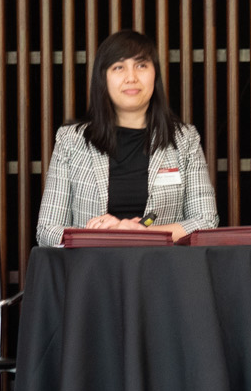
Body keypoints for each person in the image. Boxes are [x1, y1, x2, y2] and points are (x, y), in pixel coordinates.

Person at [34, 31, 218, 247]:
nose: (131, 77)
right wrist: (108, 234)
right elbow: (47, 229)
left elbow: (206, 221)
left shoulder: (184, 139)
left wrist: (141, 232)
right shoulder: (71, 141)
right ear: (103, 78)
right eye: (119, 67)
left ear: (155, 75)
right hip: (92, 270)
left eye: (141, 66)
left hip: (163, 269)